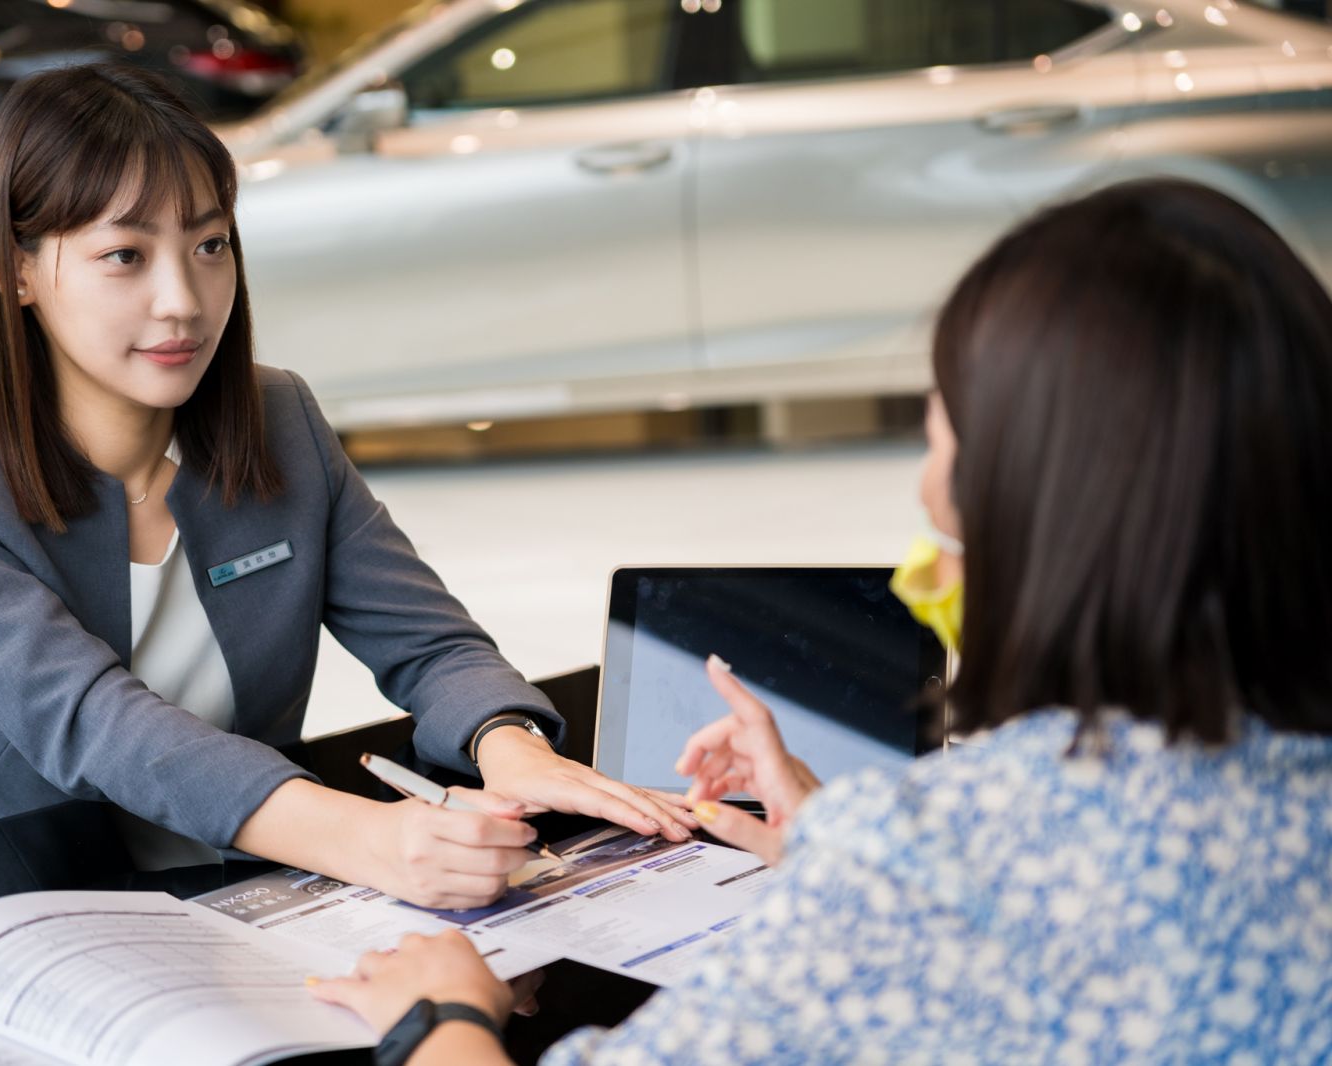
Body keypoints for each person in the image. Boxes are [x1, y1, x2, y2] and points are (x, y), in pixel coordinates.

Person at [308, 179, 1332, 1063]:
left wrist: (437, 1017)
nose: (929, 492)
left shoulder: (938, 857)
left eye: (941, 439)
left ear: (1033, 510)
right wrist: (846, 844)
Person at [0, 64, 696, 924]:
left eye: (210, 244)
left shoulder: (276, 416)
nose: (183, 299)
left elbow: (429, 641)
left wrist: (512, 749)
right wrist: (368, 840)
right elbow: (88, 719)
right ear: (15, 269)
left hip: (224, 887)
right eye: (124, 256)